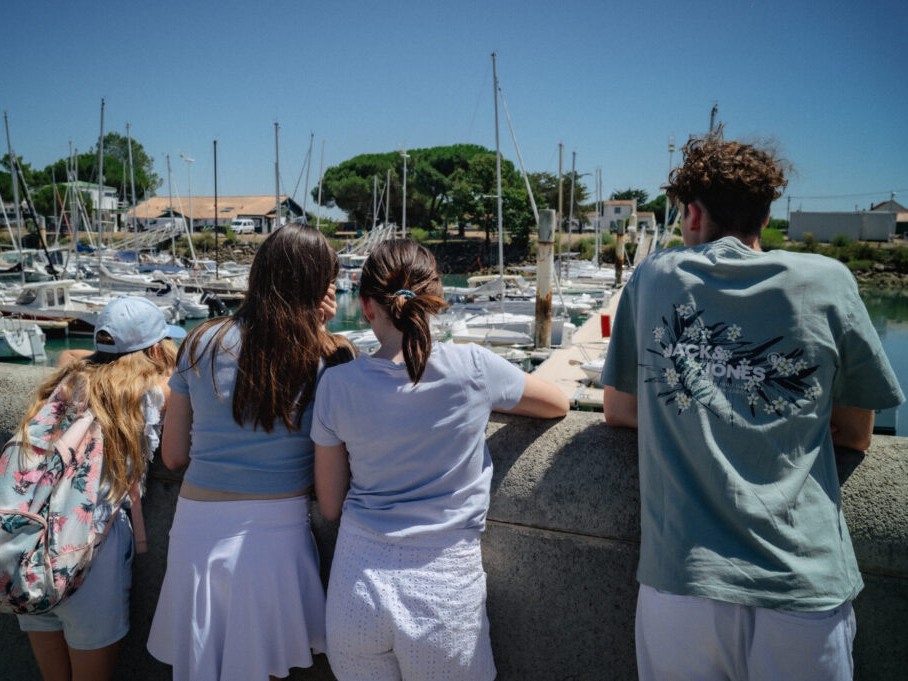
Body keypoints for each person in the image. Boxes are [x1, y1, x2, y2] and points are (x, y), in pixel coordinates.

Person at [601, 136, 904, 681]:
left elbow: (621, 409)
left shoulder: (654, 276)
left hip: (683, 586)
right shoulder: (829, 280)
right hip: (803, 587)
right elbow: (859, 433)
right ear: (767, 213)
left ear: (692, 213)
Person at [312, 239, 570, 681]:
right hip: (443, 590)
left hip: (356, 585)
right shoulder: (473, 366)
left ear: (367, 306)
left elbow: (331, 505)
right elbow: (558, 403)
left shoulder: (337, 385)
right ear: (434, 301)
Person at [146, 223, 354, 681]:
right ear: (318, 286)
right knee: (267, 663)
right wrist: (321, 330)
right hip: (277, 532)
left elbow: (174, 455)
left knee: (202, 662)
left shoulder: (199, 341)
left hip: (196, 527)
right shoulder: (331, 356)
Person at [18, 295, 185, 681]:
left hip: (30, 543)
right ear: (158, 348)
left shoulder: (67, 380)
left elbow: (67, 356)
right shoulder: (155, 394)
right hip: (90, 551)